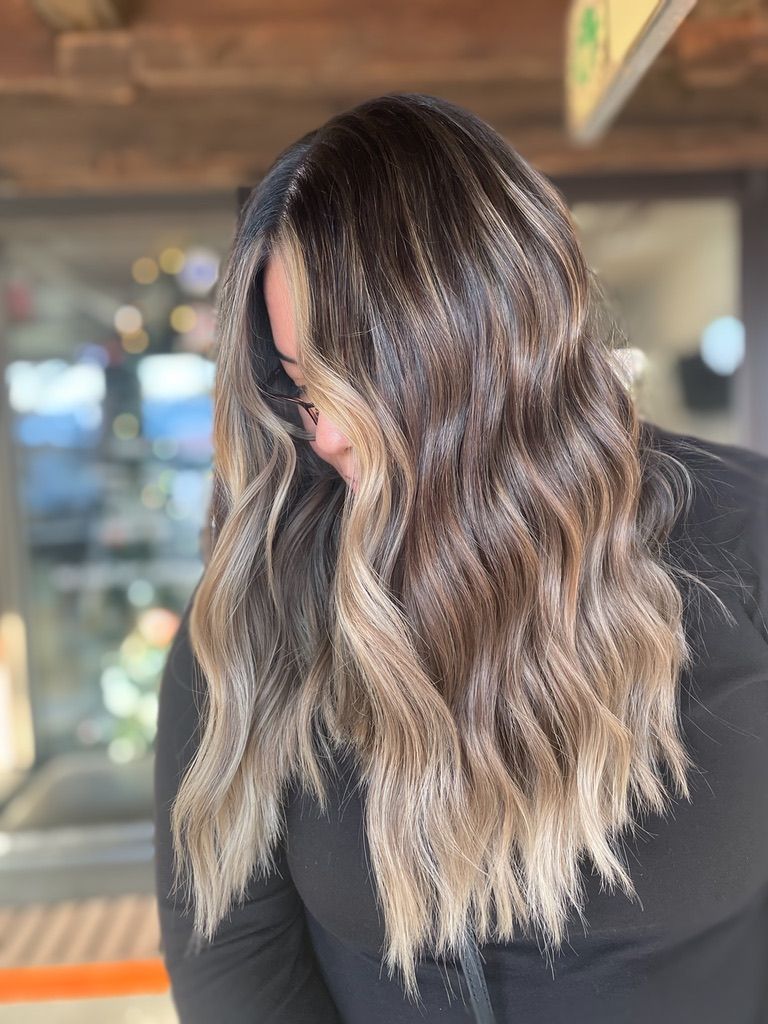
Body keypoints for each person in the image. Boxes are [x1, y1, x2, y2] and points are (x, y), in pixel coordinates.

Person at [153, 92, 768, 1023]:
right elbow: (229, 948)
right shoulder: (264, 601)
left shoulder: (741, 535)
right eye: (303, 390)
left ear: (485, 350)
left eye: (353, 383)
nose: (323, 436)